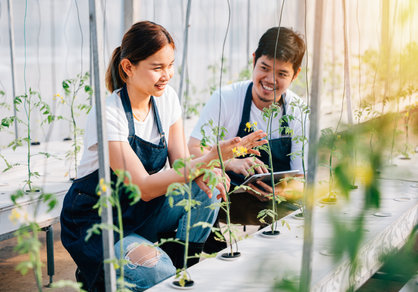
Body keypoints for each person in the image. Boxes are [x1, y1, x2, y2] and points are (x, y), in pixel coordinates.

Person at [60, 21, 267, 292]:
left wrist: (211, 167)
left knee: (208, 187)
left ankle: (185, 269)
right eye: (157, 67)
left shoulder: (166, 99)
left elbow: (181, 163)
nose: (167, 74)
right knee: (157, 271)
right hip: (101, 222)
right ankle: (100, 275)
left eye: (170, 65)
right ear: (128, 67)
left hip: (139, 212)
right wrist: (211, 156)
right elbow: (143, 188)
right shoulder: (108, 114)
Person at [188, 27, 308, 236]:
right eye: (264, 67)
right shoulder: (226, 99)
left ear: (295, 75)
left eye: (281, 74)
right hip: (226, 202)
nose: (270, 80)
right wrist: (230, 162)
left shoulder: (299, 111)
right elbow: (194, 148)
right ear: (253, 60)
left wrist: (281, 191)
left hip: (275, 204)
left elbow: (303, 178)